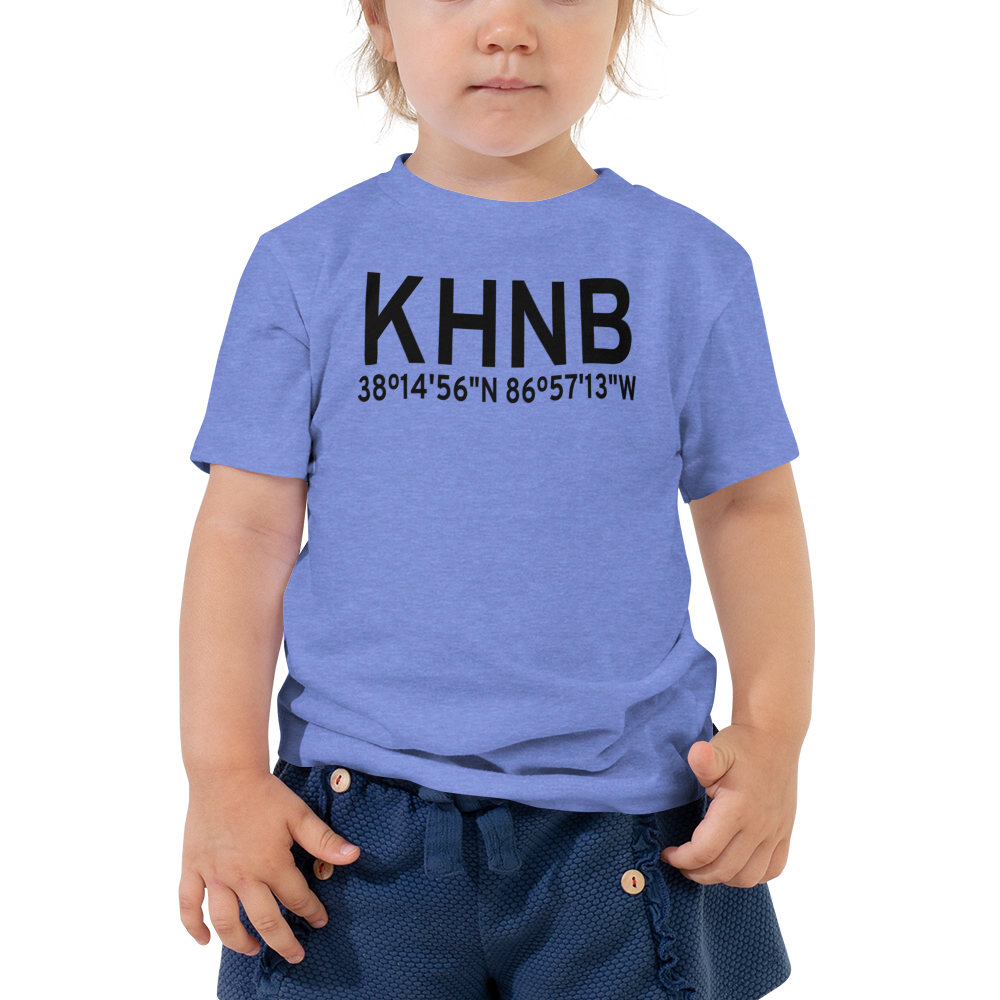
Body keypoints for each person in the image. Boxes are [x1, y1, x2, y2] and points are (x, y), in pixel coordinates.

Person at [178, 1, 814, 997]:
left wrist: (772, 737)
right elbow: (245, 528)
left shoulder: (692, 266)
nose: (508, 27)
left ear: (622, 17)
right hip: (347, 838)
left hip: (632, 829)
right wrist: (223, 776)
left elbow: (749, 510)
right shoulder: (304, 263)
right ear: (380, 16)